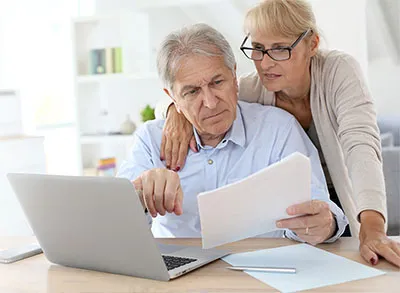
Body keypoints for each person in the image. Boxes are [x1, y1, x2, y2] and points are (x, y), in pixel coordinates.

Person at [156, 0, 400, 267]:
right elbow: (191, 95)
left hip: (339, 205)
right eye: (258, 49)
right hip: (292, 215)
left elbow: (361, 148)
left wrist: (373, 226)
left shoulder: (338, 72)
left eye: (280, 49)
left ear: (312, 44)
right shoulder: (251, 88)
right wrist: (174, 112)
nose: (266, 63)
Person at [117, 23, 348, 244]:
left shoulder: (279, 129)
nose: (209, 102)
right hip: (180, 279)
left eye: (217, 82)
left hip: (262, 272)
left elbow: (319, 206)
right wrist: (140, 194)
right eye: (192, 92)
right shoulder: (150, 140)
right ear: (172, 97)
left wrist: (325, 225)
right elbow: (116, 222)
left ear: (234, 77)